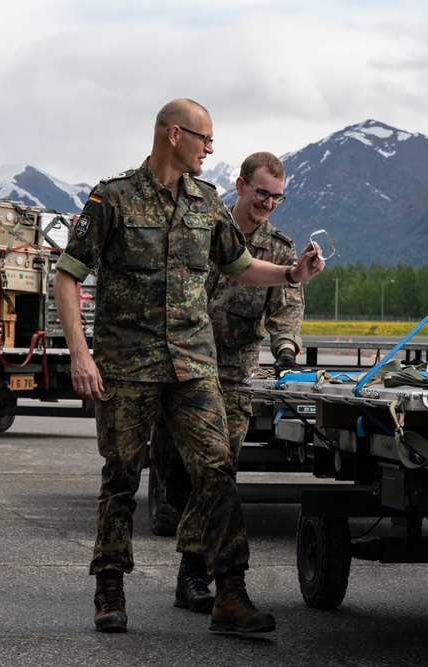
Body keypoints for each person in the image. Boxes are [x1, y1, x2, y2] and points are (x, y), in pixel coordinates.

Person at [53, 99, 324, 634]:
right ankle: (109, 587)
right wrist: (80, 355)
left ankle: (229, 593)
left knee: (217, 470)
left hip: (194, 364)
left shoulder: (207, 203)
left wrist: (291, 274)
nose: (209, 149)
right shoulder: (113, 199)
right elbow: (67, 275)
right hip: (127, 365)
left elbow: (241, 267)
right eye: (204, 139)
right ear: (174, 134)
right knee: (122, 478)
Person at [150, 151, 304, 615]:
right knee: (170, 468)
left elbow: (286, 306)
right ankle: (194, 553)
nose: (269, 204)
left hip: (232, 378)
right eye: (262, 194)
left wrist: (286, 350)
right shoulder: (201, 226)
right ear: (240, 186)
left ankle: (194, 572)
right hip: (178, 370)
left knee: (216, 473)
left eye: (277, 197)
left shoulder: (279, 248)